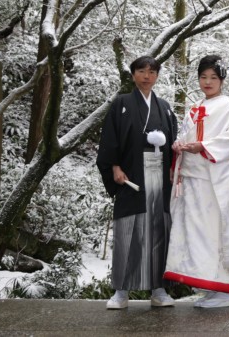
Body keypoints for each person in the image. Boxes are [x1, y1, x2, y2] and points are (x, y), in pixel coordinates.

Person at [164, 54, 229, 308]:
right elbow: (185, 135)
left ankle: (224, 290)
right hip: (193, 180)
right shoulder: (195, 107)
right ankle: (210, 286)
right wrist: (179, 145)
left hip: (214, 182)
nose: (208, 82)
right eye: (203, 77)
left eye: (213, 77)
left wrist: (203, 146)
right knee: (197, 234)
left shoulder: (227, 106)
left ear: (221, 80)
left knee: (215, 231)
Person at [96, 56, 178, 309]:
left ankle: (159, 290)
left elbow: (174, 143)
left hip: (160, 178)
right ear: (133, 75)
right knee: (128, 231)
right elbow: (110, 138)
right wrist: (114, 166)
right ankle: (121, 291)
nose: (146, 76)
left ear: (157, 76)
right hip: (132, 176)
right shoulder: (121, 104)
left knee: (159, 232)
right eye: (141, 71)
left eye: (152, 72)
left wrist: (174, 169)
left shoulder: (164, 107)